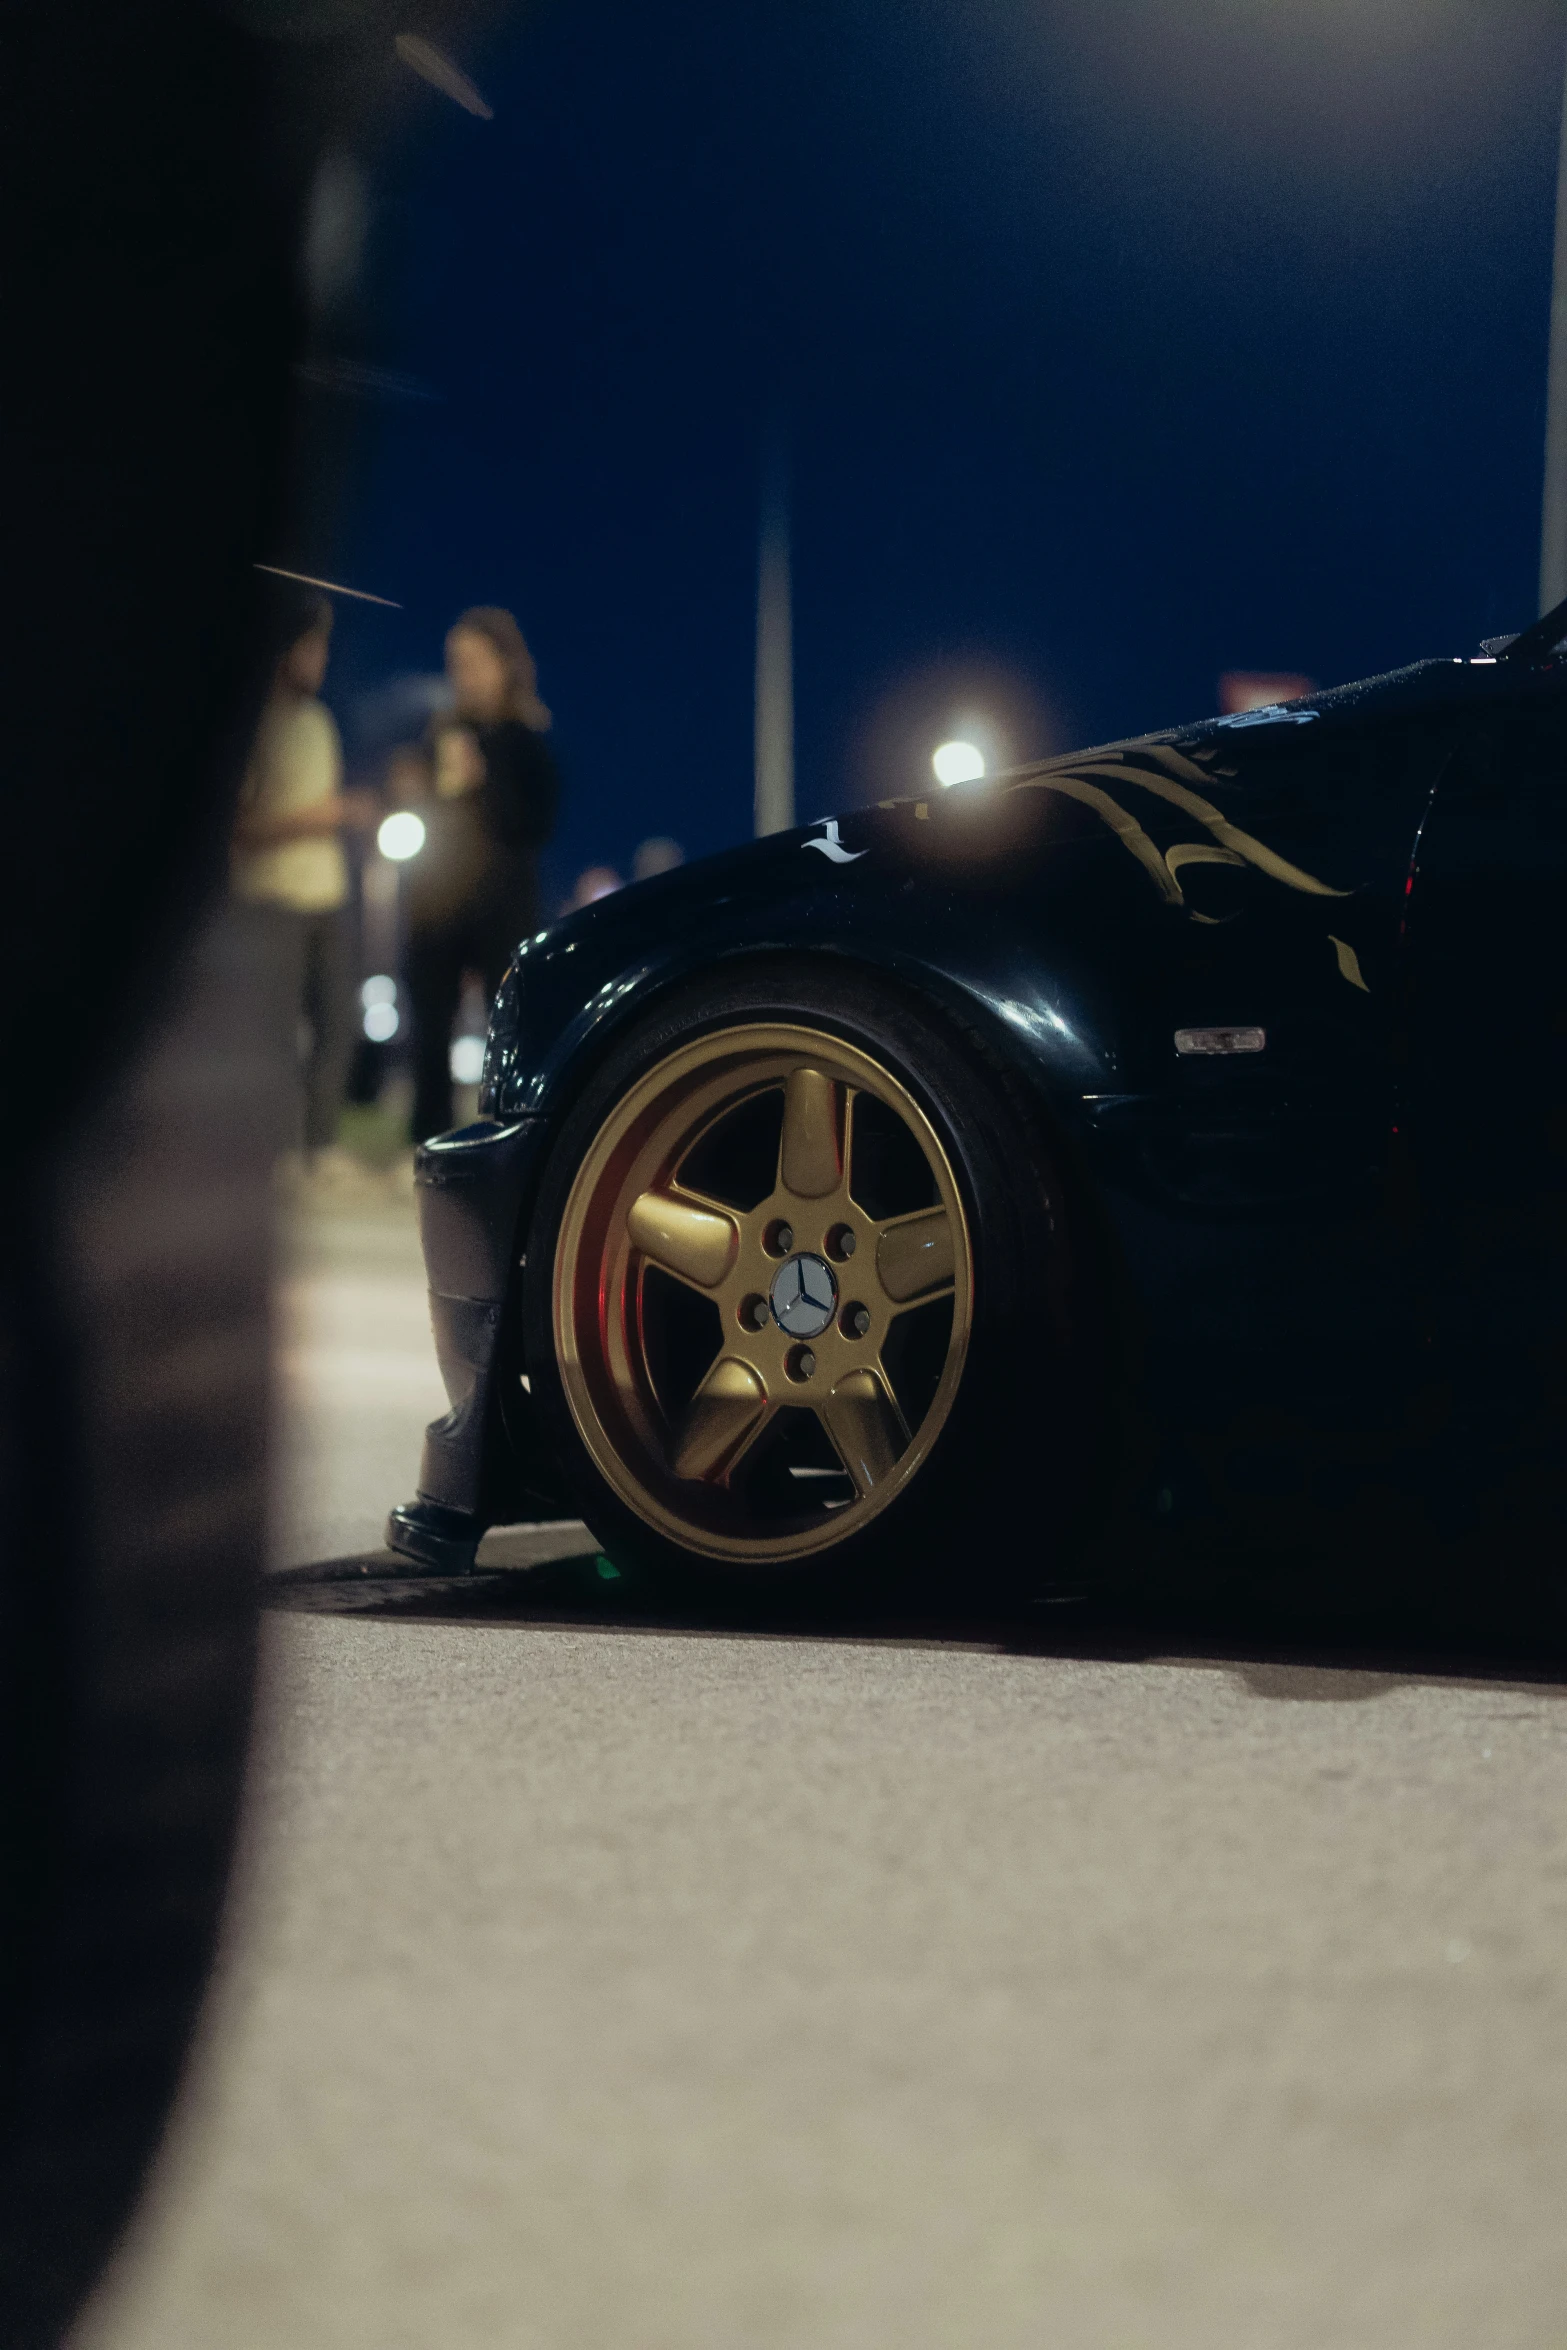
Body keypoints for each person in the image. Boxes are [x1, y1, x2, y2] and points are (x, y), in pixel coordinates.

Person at [399, 606, 559, 1142]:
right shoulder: (441, 733)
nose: (462, 674)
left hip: (501, 904)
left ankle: (508, 1140)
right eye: (454, 662)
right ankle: (427, 1141)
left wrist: (484, 778)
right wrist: (414, 785)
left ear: (503, 665)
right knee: (430, 1026)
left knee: (508, 1026)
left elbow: (535, 825)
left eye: (473, 661)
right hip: (438, 900)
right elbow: (424, 812)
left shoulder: (526, 738)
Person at [231, 590, 375, 1166]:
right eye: (311, 647)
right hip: (273, 897)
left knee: (338, 1024)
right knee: (272, 1034)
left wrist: (348, 817)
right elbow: (240, 827)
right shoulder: (255, 723)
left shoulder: (319, 720)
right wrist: (321, 816)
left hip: (327, 897)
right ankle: (263, 1152)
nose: (320, 660)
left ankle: (321, 1147)